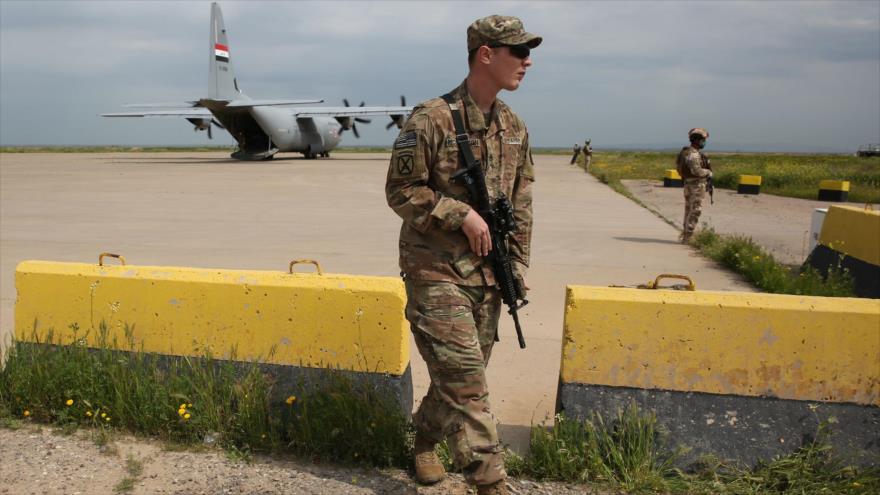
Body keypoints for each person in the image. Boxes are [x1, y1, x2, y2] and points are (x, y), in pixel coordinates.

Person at [385, 14, 540, 495]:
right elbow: (400, 191)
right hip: (435, 270)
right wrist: (461, 214)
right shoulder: (431, 119)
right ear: (486, 54)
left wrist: (516, 264)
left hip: (489, 275)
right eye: (518, 51)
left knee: (456, 381)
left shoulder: (513, 126)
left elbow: (521, 202)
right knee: (469, 385)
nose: (527, 61)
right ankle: (491, 484)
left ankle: (424, 439)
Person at [676, 128, 712, 243]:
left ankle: (685, 234)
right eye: (703, 140)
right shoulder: (694, 154)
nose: (704, 142)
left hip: (688, 184)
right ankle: (689, 236)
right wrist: (708, 172)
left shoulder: (685, 152)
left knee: (688, 210)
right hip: (696, 186)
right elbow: (697, 171)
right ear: (696, 140)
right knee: (696, 210)